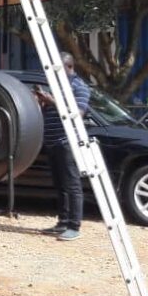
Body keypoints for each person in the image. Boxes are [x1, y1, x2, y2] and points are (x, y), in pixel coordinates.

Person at [34, 52, 91, 241]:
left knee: (72, 184)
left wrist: (52, 101)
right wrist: (43, 102)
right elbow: (53, 111)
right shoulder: (57, 88)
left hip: (67, 142)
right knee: (60, 185)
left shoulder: (78, 87)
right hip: (52, 142)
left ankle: (74, 226)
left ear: (68, 66)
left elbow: (78, 114)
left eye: (57, 69)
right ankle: (63, 222)